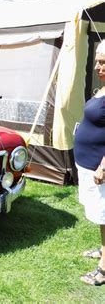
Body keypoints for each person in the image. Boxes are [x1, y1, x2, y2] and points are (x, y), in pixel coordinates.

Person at [74, 40, 105, 286]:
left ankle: (104, 269)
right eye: (97, 60)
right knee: (98, 214)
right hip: (87, 164)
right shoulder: (102, 88)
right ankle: (104, 250)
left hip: (99, 167)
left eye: (103, 62)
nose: (97, 66)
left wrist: (103, 167)